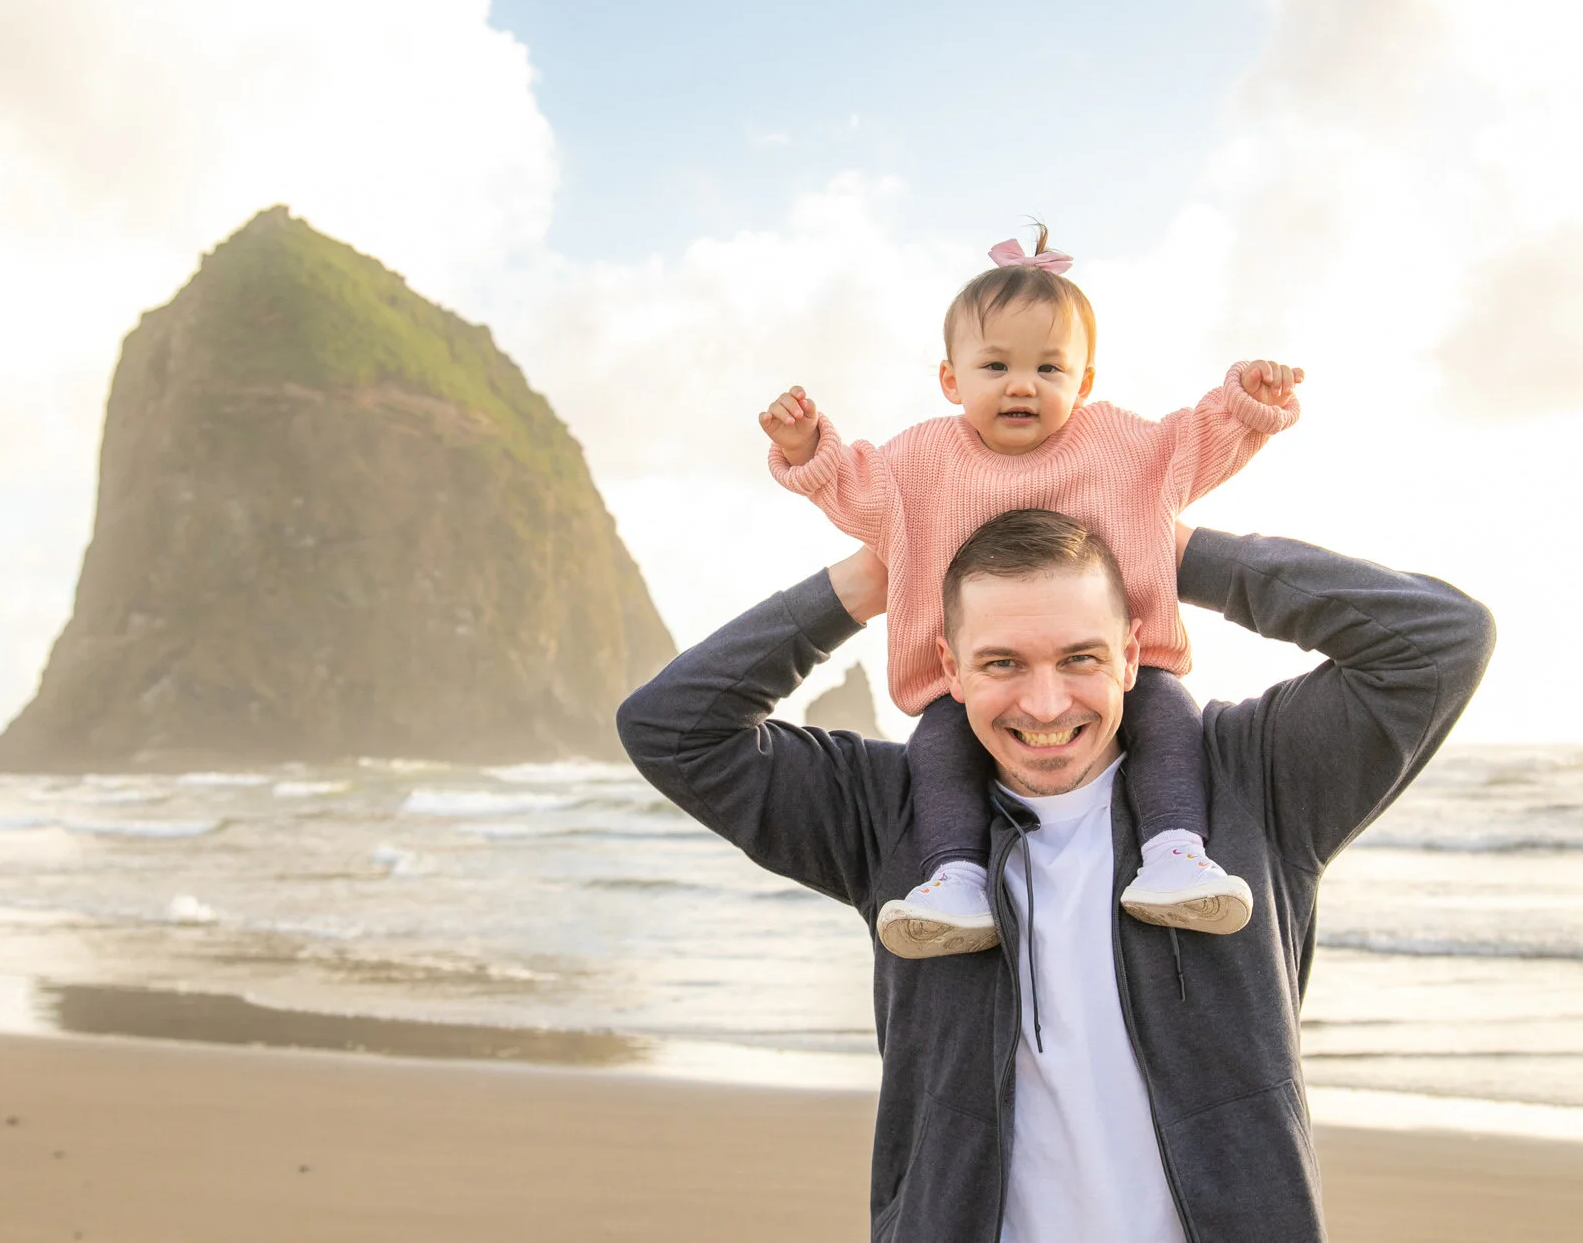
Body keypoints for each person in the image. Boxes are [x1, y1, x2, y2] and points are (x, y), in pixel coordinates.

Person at [617, 510, 1493, 1241]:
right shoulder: (888, 812)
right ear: (949, 667)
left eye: (1080, 655)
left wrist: (1180, 551)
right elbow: (671, 726)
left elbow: (1440, 640)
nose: (1044, 705)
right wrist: (866, 580)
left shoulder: (1255, 781)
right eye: (1002, 662)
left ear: (1131, 651)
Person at [760, 227, 1302, 955]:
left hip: (1121, 667)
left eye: (1050, 367)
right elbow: (851, 486)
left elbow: (1194, 443)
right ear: (952, 380)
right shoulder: (920, 461)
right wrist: (806, 448)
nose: (1023, 384)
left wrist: (1247, 404)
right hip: (967, 684)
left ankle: (1175, 853)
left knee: (1170, 720)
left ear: (1083, 383)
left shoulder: (1121, 447)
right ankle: (954, 876)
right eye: (996, 365)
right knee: (939, 751)